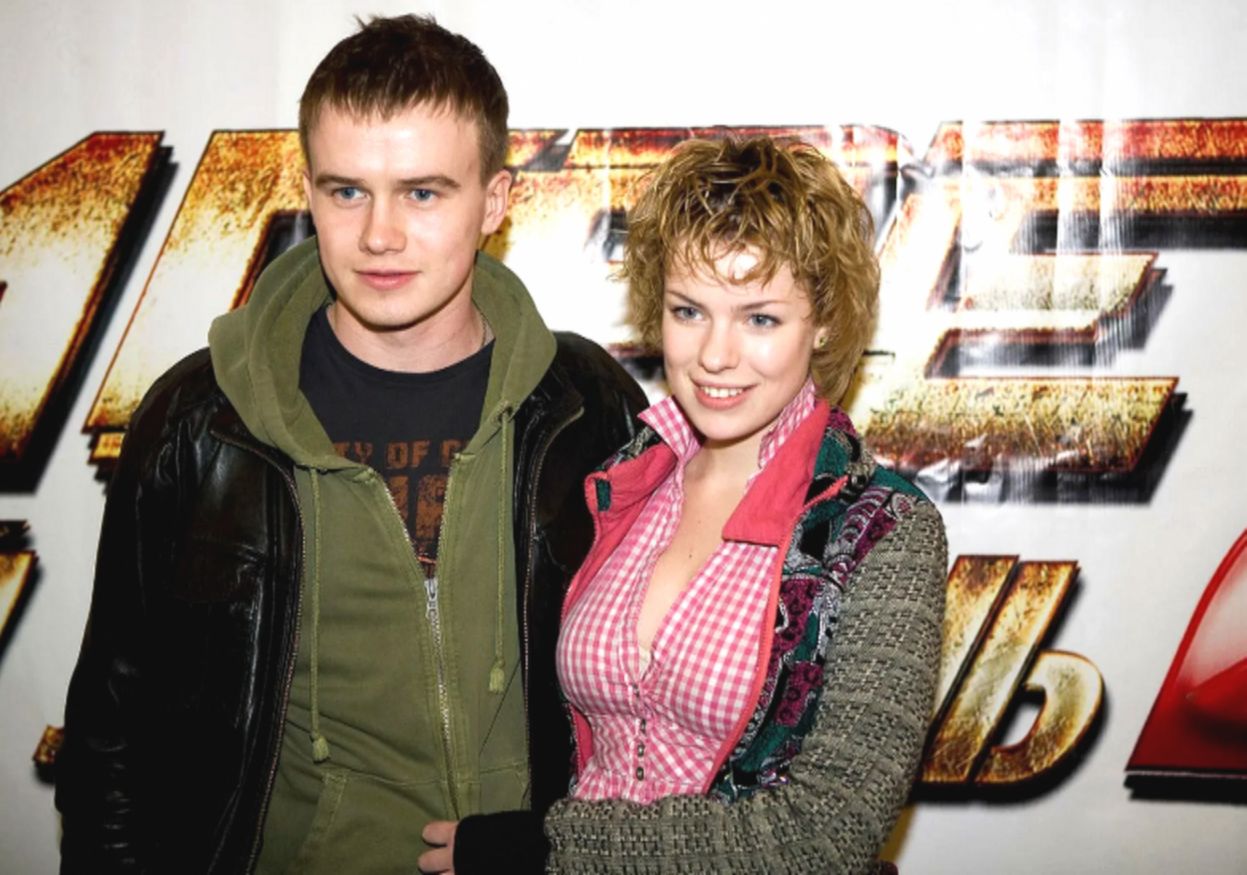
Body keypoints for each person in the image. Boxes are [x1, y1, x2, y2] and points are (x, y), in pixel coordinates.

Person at [54, 14, 645, 875]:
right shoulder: (200, 420)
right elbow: (113, 729)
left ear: (495, 201)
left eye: (423, 192)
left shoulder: (588, 406)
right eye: (346, 191)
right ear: (309, 191)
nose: (379, 234)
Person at [530, 136, 946, 873]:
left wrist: (547, 848)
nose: (715, 355)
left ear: (822, 321)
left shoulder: (882, 529)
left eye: (759, 319)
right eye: (689, 311)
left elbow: (827, 835)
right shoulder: (619, 486)